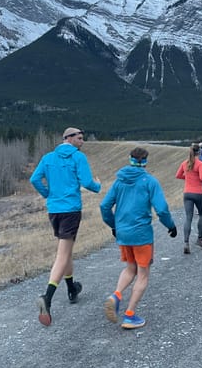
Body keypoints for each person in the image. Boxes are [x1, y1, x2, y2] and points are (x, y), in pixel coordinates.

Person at [30, 127, 101, 327]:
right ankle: (48, 297)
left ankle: (72, 289)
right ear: (68, 138)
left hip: (54, 210)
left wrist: (46, 194)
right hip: (70, 209)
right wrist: (98, 186)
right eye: (79, 138)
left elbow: (34, 179)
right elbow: (87, 182)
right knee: (62, 254)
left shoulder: (48, 158)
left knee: (66, 250)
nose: (82, 141)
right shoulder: (78, 157)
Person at [100, 147, 177, 329]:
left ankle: (116, 295)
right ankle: (130, 315)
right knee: (143, 274)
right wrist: (171, 226)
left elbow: (104, 206)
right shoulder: (150, 181)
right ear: (145, 161)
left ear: (130, 160)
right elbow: (162, 209)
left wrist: (114, 225)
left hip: (123, 233)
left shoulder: (119, 181)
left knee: (130, 268)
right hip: (141, 235)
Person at [176, 143, 202, 254]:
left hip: (187, 193)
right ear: (199, 152)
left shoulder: (185, 163)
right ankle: (200, 238)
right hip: (198, 193)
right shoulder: (200, 164)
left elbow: (178, 175)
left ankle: (186, 242)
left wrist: (188, 177)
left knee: (188, 217)